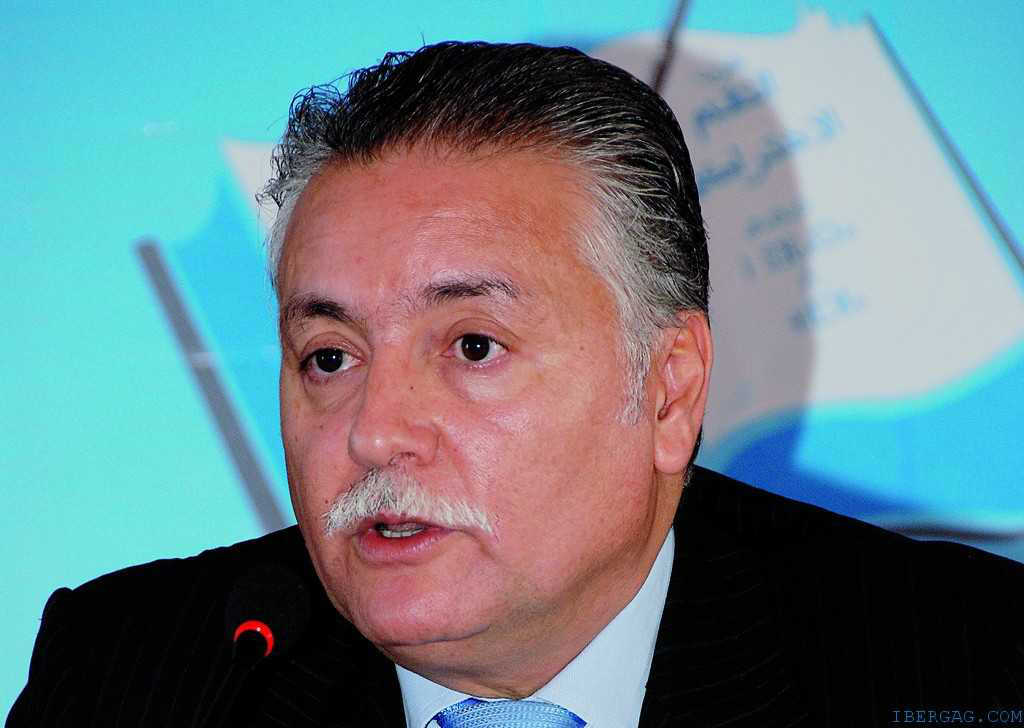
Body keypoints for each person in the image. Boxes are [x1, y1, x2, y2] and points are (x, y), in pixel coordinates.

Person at [9, 41, 1024, 728]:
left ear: (669, 391)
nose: (374, 433)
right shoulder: (138, 670)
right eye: (330, 356)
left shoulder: (959, 659)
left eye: (472, 346)